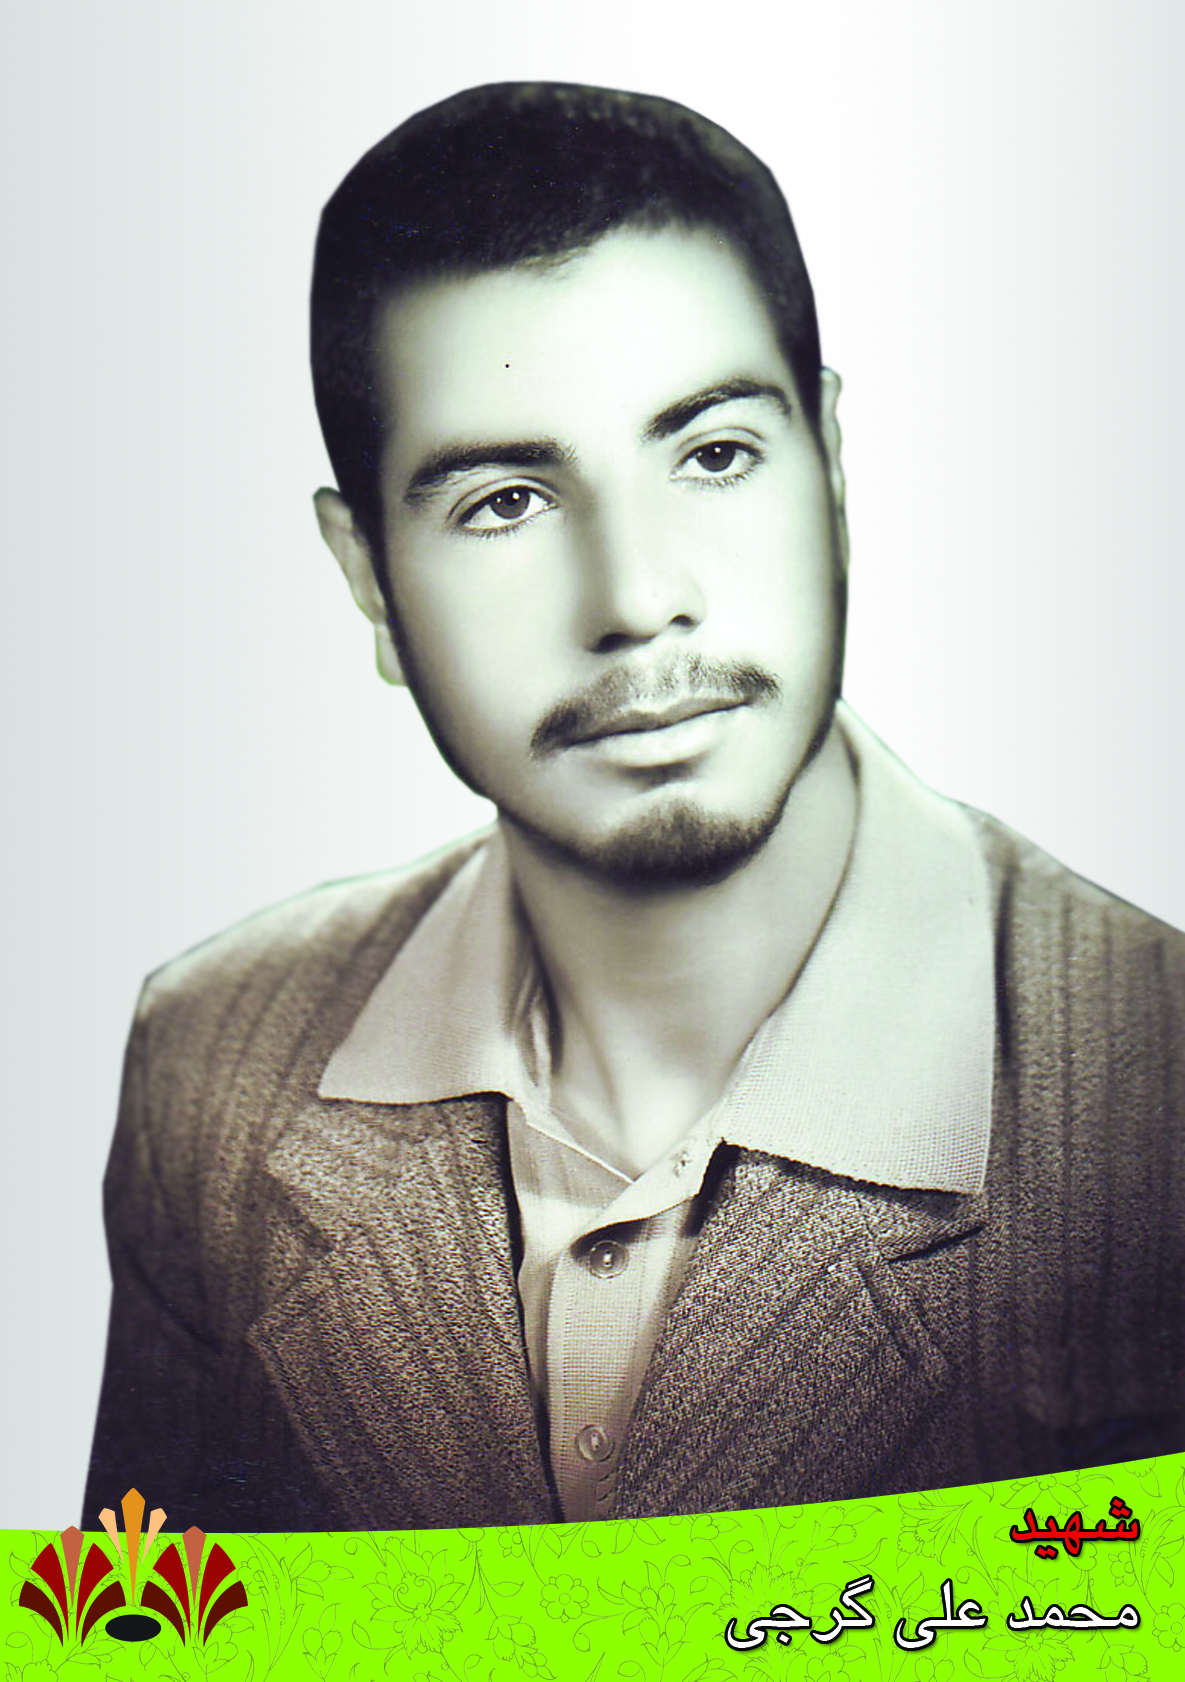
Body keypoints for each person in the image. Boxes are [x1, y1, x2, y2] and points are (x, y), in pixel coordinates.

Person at [84, 82, 1184, 1532]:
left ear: (830, 467)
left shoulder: (1157, 1084)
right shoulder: (208, 1066)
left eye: (715, 454)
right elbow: (147, 1627)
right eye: (505, 501)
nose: (638, 596)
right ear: (368, 579)